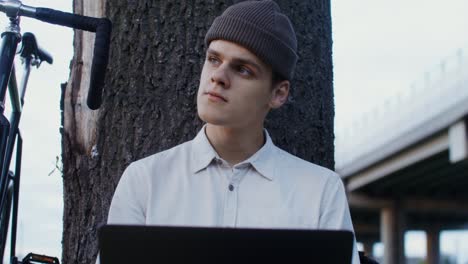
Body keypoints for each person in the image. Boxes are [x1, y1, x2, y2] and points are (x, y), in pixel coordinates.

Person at [106, 1, 360, 263]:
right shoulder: (145, 181)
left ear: (278, 93)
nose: (218, 76)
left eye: (242, 69)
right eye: (214, 59)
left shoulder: (320, 191)